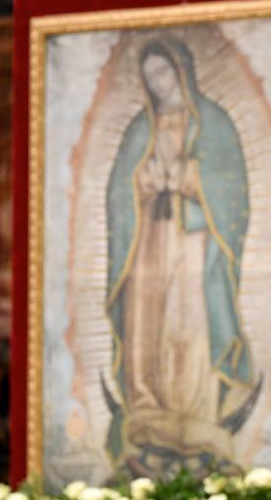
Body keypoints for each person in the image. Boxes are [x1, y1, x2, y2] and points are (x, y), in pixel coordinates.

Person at [103, 39, 259, 476]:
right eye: (149, 78)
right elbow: (119, 190)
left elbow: (230, 189)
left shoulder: (213, 123)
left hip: (194, 243)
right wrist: (143, 183)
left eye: (163, 75)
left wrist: (190, 177)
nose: (157, 85)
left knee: (188, 322)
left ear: (182, 71)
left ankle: (195, 415)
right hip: (148, 242)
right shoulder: (141, 129)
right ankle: (147, 411)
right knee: (146, 326)